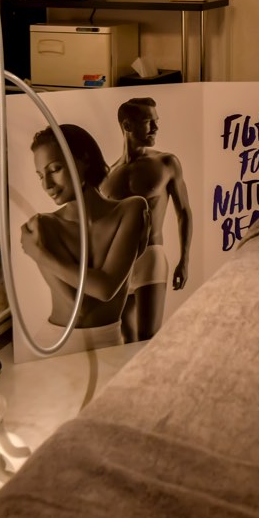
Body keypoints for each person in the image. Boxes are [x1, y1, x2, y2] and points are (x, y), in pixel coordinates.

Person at [20, 124, 149, 354]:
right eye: (40, 176)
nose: (47, 185)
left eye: (55, 169)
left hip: (111, 341)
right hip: (58, 345)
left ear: (85, 160)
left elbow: (106, 289)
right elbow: (79, 308)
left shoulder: (132, 209)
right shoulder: (43, 225)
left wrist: (39, 254)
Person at [101, 97, 192, 343]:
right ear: (127, 126)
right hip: (117, 265)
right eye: (148, 122)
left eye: (156, 121)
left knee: (148, 338)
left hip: (151, 256)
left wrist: (184, 260)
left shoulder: (166, 163)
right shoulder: (108, 176)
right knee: (126, 339)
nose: (156, 128)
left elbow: (183, 212)